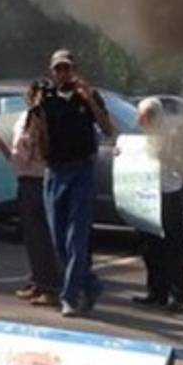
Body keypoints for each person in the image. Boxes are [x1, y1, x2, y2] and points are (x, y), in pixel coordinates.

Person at [38, 49, 116, 317]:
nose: (62, 74)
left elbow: (108, 129)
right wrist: (35, 108)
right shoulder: (45, 98)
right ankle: (91, 285)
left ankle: (69, 296)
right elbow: (38, 135)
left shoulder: (89, 96)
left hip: (81, 171)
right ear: (51, 71)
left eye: (66, 69)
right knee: (59, 239)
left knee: (77, 239)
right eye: (58, 69)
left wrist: (89, 100)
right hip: (55, 172)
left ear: (74, 70)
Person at [0, 80, 60, 307]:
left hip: (37, 181)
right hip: (26, 180)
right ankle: (39, 281)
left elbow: (24, 156)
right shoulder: (27, 117)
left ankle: (50, 287)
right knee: (32, 237)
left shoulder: (43, 119)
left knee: (42, 237)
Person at [132, 97, 183, 312]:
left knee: (172, 246)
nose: (140, 120)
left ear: (154, 115)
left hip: (168, 194)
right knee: (150, 245)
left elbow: (181, 166)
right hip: (147, 195)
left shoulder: (171, 137)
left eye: (144, 116)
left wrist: (168, 159)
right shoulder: (143, 138)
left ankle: (178, 296)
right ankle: (156, 292)